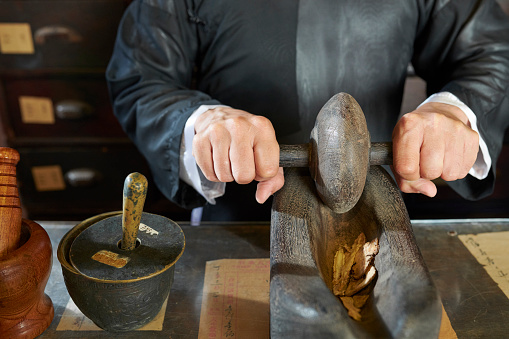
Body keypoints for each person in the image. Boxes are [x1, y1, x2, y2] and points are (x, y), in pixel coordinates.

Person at [106, 0, 509, 222]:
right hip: (239, 208)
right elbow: (140, 76)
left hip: (374, 203)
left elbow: (488, 53)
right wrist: (199, 121)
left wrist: (458, 111)